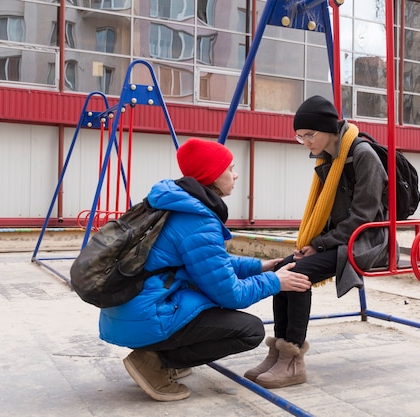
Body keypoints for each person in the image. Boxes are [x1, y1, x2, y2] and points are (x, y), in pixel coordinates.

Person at [98, 137, 312, 402]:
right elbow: (231, 294)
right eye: (230, 169)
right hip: (145, 317)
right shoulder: (199, 221)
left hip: (129, 312)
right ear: (211, 175)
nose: (236, 175)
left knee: (205, 298)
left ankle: (164, 355)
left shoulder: (177, 206)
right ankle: (154, 361)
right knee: (250, 330)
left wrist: (259, 266)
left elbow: (211, 263)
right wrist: (274, 281)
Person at [244, 95, 395, 389]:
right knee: (285, 270)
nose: (306, 142)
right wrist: (315, 242)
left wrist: (321, 244)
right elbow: (326, 212)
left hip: (367, 240)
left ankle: (293, 360)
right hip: (339, 238)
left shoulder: (363, 155)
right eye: (300, 137)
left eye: (309, 135)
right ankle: (278, 352)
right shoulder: (330, 158)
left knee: (298, 275)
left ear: (328, 129)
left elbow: (363, 217)